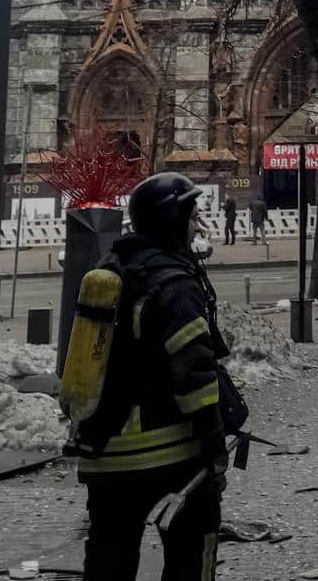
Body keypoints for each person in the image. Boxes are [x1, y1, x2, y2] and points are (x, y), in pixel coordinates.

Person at [77, 172, 236, 581]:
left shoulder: (113, 268)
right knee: (191, 551)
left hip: (105, 451)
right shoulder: (174, 283)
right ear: (172, 220)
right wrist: (214, 447)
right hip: (168, 455)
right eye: (191, 215)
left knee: (109, 561)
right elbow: (196, 379)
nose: (196, 225)